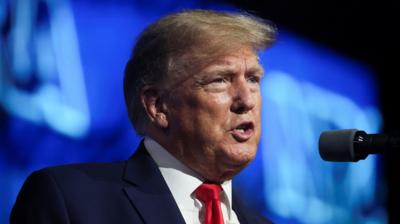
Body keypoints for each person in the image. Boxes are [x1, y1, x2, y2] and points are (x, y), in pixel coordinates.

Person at [10, 9, 276, 224]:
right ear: (158, 106)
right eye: (220, 80)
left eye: (253, 79)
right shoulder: (70, 200)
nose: (247, 100)